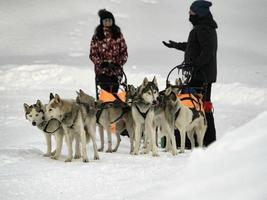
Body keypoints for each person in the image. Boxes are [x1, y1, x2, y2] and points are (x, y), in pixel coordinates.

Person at [163, 0, 218, 146]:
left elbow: (208, 51)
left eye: (191, 12)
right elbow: (192, 47)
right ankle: (202, 139)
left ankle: (205, 139)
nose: (189, 14)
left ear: (199, 13)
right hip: (200, 74)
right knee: (199, 105)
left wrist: (195, 65)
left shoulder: (204, 28)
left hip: (202, 75)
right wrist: (176, 45)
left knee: (198, 106)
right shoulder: (201, 27)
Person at [89, 9, 128, 99]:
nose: (108, 22)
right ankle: (110, 101)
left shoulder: (118, 35)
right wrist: (101, 63)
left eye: (110, 20)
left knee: (115, 86)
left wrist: (118, 63)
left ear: (113, 21)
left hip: (116, 70)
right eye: (105, 20)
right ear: (102, 22)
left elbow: (124, 52)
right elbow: (93, 54)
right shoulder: (97, 36)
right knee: (105, 86)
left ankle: (115, 102)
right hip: (102, 70)